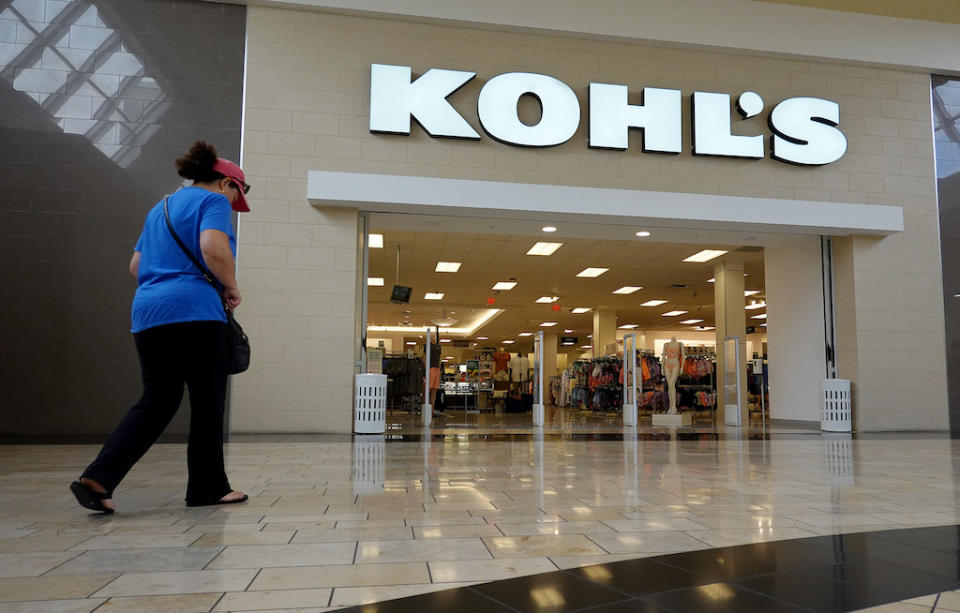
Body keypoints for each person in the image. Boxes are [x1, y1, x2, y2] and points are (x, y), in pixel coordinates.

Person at [70, 141, 251, 513]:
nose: (235, 203)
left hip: (148, 314)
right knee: (207, 403)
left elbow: (136, 266)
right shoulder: (213, 202)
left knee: (157, 400)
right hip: (196, 312)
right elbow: (212, 247)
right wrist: (230, 286)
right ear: (224, 184)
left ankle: (99, 477)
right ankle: (207, 488)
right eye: (238, 193)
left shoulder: (161, 208)